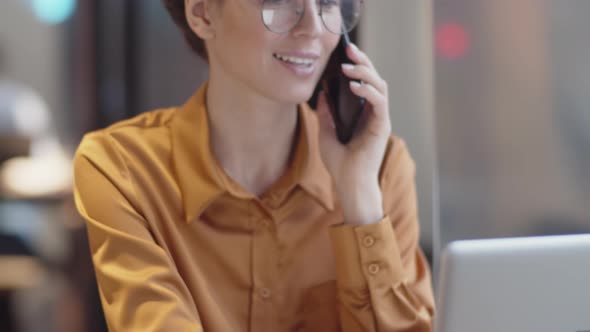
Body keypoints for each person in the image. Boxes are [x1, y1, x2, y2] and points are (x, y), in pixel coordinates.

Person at [73, 0, 435, 331]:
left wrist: (360, 201)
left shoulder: (381, 168)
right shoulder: (122, 168)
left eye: (327, 2)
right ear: (202, 14)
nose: (312, 26)